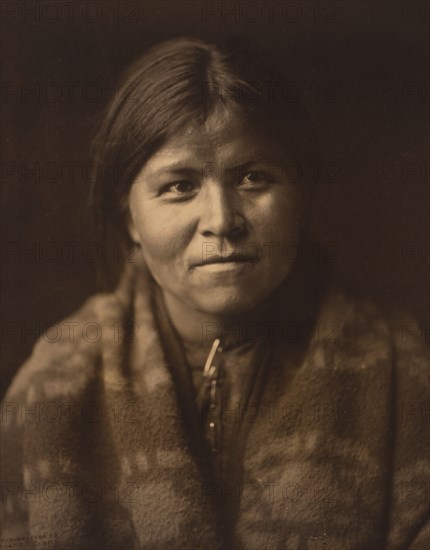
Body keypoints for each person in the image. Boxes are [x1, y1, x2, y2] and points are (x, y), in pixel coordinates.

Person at [1, 36, 428, 550]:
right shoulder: (56, 382)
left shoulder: (401, 369)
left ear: (302, 192)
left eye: (253, 177)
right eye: (179, 186)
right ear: (128, 215)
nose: (222, 221)